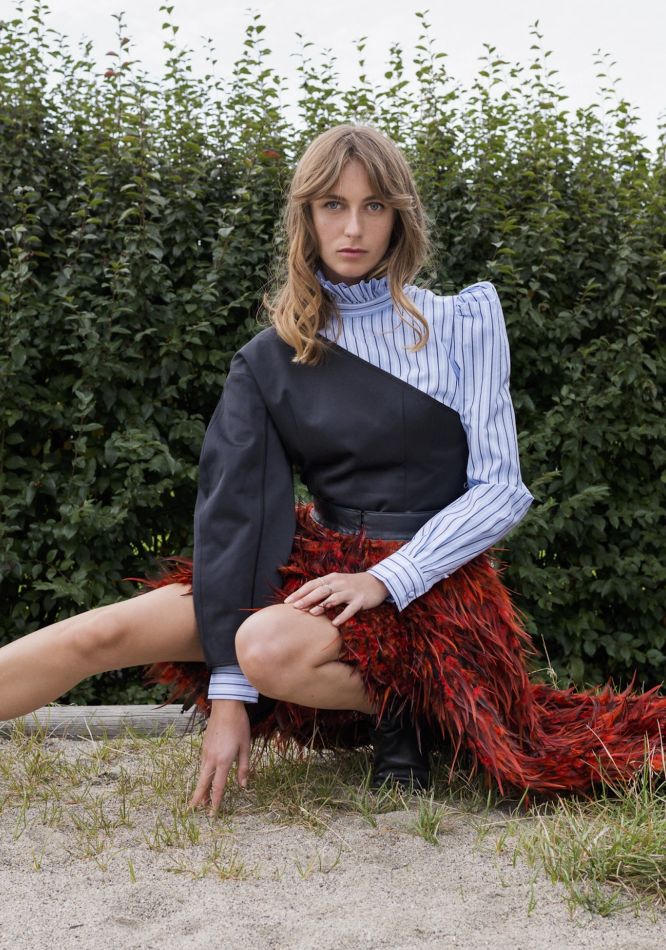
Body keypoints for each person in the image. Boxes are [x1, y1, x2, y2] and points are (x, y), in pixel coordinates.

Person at [1, 124, 663, 816]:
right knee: (97, 634)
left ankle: (420, 706)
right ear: (306, 217)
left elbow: (501, 489)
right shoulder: (271, 356)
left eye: (373, 206)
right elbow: (238, 515)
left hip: (432, 579)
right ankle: (401, 704)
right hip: (319, 564)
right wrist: (227, 694)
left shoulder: (463, 321)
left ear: (399, 217)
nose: (353, 227)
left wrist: (385, 579)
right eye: (332, 206)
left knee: (265, 645)